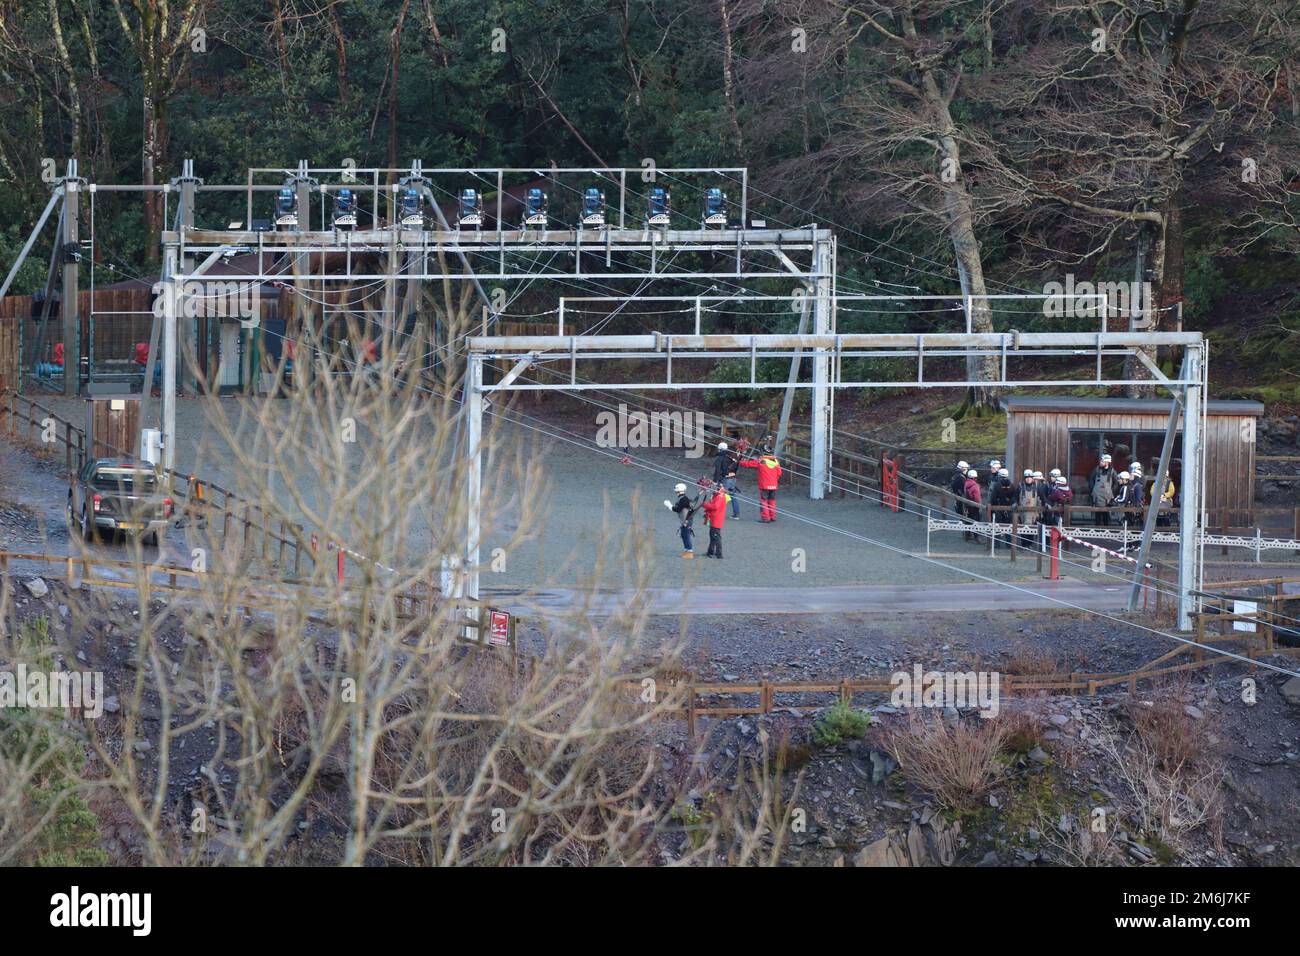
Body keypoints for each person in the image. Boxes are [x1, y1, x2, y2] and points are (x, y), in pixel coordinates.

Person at [740, 451, 783, 522]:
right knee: (772, 501)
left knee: (764, 501)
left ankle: (766, 518)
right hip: (774, 486)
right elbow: (779, 473)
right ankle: (772, 517)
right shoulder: (776, 462)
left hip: (764, 485)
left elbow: (750, 464)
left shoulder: (761, 461)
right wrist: (774, 481)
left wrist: (741, 462)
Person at [665, 482, 701, 558]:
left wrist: (669, 506)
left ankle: (689, 551)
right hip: (686, 519)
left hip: (686, 520)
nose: (675, 493)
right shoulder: (684, 498)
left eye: (676, 491)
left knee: (686, 535)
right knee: (683, 535)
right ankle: (686, 550)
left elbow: (677, 509)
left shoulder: (683, 500)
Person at [702, 484, 729, 558]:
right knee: (713, 536)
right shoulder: (719, 495)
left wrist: (704, 505)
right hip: (715, 519)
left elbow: (715, 506)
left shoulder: (719, 496)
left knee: (716, 537)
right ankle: (710, 551)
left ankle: (719, 554)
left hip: (716, 519)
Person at [990, 467, 1014, 549]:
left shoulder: (996, 485)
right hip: (1009, 508)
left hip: (999, 508)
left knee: (998, 526)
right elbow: (1014, 497)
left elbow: (993, 498)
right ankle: (1009, 544)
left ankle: (997, 544)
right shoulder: (1012, 485)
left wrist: (994, 507)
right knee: (1008, 527)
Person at [1089, 454, 1116, 526]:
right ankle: (1097, 531)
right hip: (1097, 497)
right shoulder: (1096, 470)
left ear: (1107, 462)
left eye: (1102, 461)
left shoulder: (1112, 471)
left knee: (1106, 515)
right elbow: (1091, 480)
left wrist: (1111, 491)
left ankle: (1106, 530)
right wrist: (1093, 490)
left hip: (1107, 498)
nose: (1100, 462)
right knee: (1097, 515)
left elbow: (1116, 483)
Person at [962, 468, 982, 541]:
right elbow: (977, 498)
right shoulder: (975, 486)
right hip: (974, 505)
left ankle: (967, 536)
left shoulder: (966, 483)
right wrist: (979, 506)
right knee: (976, 521)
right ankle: (977, 537)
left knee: (968, 520)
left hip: (967, 504)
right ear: (974, 477)